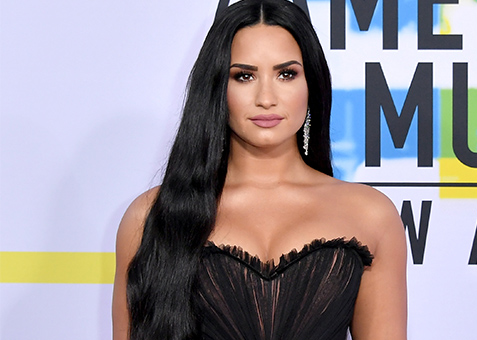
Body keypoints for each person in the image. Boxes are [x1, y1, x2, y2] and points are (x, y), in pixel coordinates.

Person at [112, 0, 407, 339]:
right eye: (244, 76)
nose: (266, 98)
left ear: (311, 84)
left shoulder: (371, 216)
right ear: (217, 88)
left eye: (286, 74)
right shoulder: (152, 217)